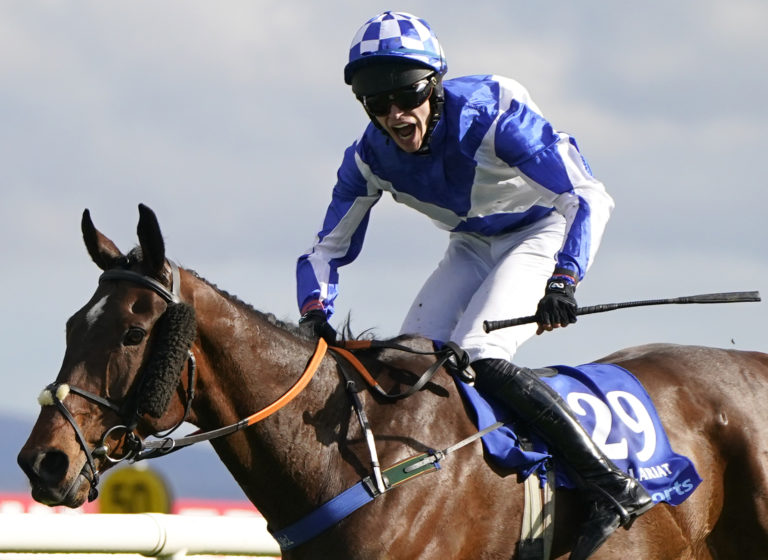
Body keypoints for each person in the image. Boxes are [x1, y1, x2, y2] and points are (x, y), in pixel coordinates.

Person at [296, 11, 651, 559]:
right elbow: (324, 251)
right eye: (375, 101)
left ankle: (610, 484)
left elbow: (586, 196)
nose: (394, 115)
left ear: (434, 85)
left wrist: (564, 276)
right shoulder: (368, 157)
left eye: (406, 95)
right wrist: (315, 311)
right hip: (472, 242)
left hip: (542, 228)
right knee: (406, 362)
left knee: (481, 353)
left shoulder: (491, 113)